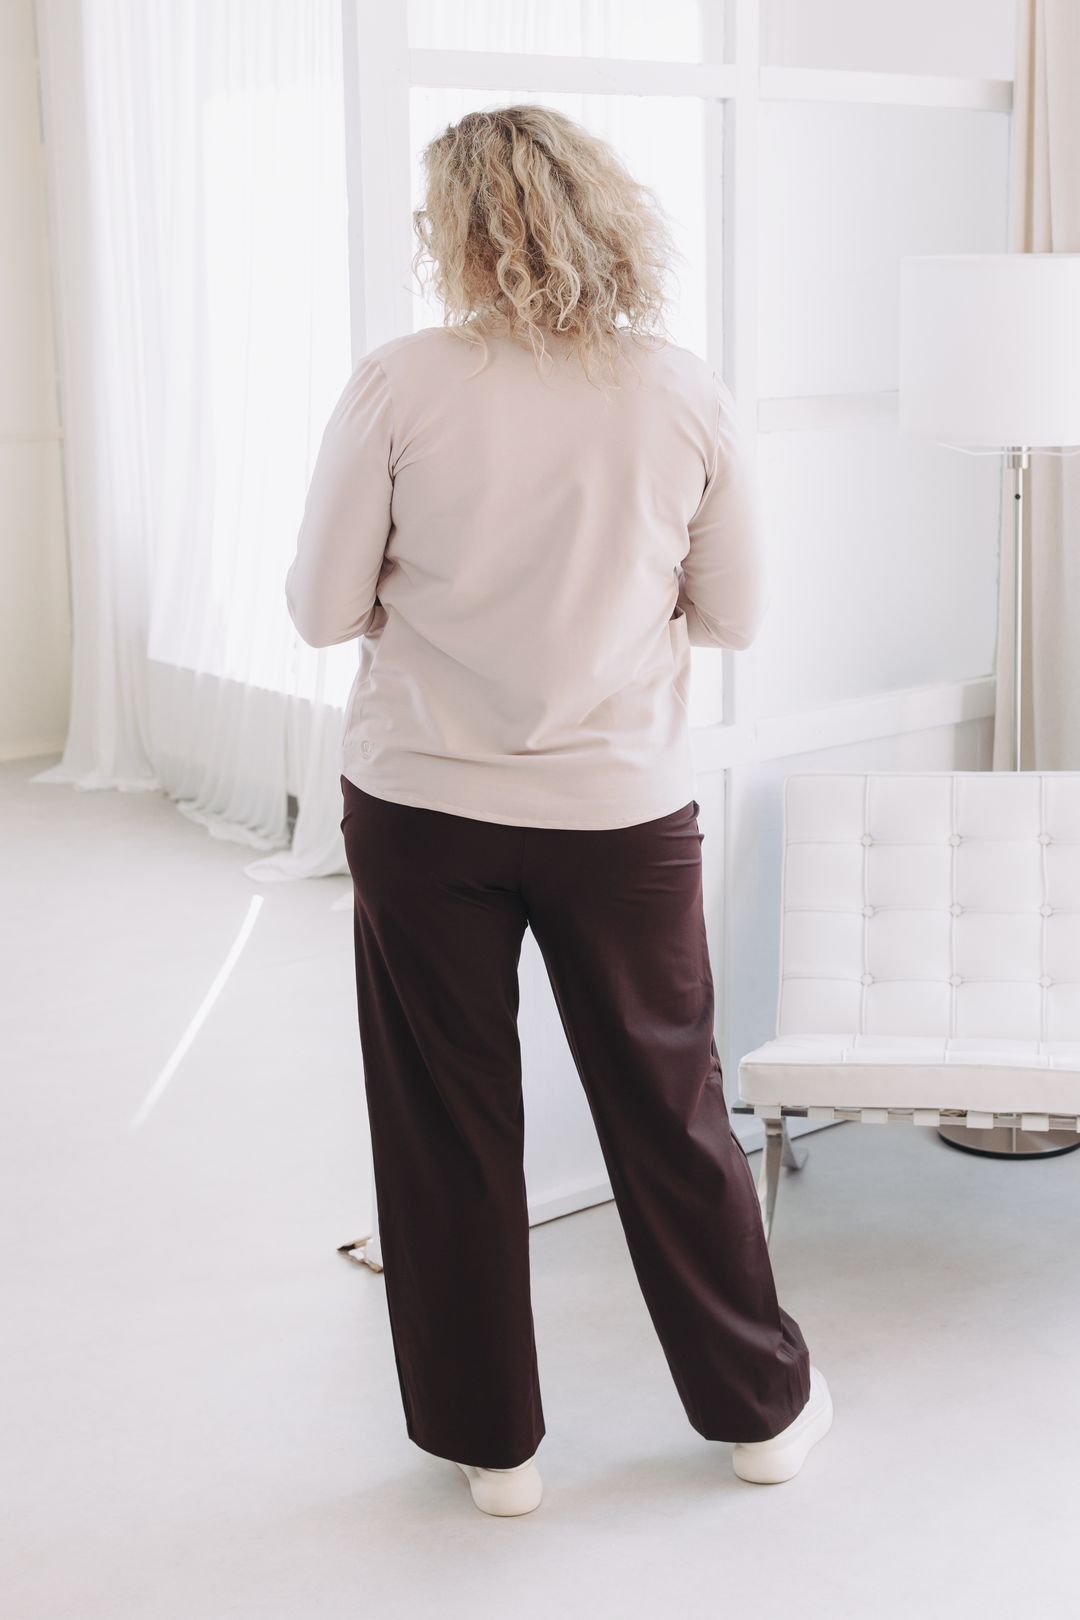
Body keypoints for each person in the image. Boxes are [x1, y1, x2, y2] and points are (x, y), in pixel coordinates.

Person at [285, 104, 832, 1517]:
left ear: (453, 232)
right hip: (621, 817)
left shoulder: (401, 382)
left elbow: (322, 610)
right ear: (606, 214)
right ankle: (761, 1416)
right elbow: (736, 614)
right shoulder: (680, 391)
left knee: (445, 1122)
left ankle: (496, 1453)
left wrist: (436, 603)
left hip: (424, 804)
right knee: (671, 1110)